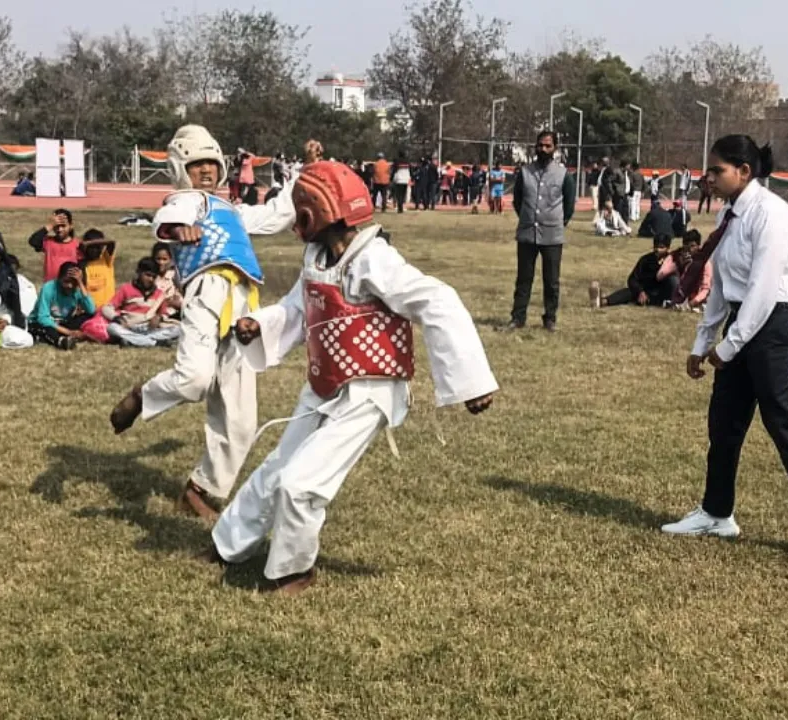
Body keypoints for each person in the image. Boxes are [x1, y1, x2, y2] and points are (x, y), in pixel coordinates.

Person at [213, 160, 498, 594]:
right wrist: (260, 322)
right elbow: (298, 308)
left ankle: (293, 570)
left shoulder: (374, 259)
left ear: (315, 213)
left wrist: (471, 382)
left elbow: (437, 300)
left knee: (301, 483)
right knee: (277, 469)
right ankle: (228, 545)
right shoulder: (317, 256)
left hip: (369, 391)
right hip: (324, 383)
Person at [664, 134, 788, 574]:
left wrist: (728, 346)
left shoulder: (772, 214)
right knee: (724, 423)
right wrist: (702, 342)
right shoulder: (730, 214)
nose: (709, 177)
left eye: (717, 170)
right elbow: (722, 284)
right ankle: (716, 513)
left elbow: (764, 288)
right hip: (744, 322)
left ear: (744, 171)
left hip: (779, 324)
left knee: (783, 422)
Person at [107, 125, 300, 523]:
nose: (207, 173)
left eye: (212, 165)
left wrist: (305, 174)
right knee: (194, 379)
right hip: (207, 293)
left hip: (244, 303)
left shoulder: (234, 210)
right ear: (182, 170)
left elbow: (278, 214)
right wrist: (178, 230)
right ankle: (145, 396)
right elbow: (169, 219)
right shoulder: (186, 201)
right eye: (198, 166)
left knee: (243, 417)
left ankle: (200, 490)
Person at [507, 131, 576, 332]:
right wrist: (527, 218)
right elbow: (518, 200)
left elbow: (569, 205)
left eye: (548, 146)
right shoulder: (525, 172)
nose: (543, 149)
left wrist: (558, 222)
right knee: (523, 279)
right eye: (540, 145)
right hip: (528, 234)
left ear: (555, 148)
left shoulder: (564, 175)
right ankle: (517, 318)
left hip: (552, 235)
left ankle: (550, 318)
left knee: (551, 280)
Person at [103, 257, 182, 348]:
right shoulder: (126, 289)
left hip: (150, 328)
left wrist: (158, 317)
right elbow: (107, 308)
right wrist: (117, 318)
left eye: (154, 277)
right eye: (148, 275)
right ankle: (154, 343)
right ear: (139, 272)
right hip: (129, 326)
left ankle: (134, 341)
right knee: (112, 328)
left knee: (178, 329)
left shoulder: (158, 293)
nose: (151, 279)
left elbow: (163, 312)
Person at [590, 234, 677, 309]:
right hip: (644, 291)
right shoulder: (646, 260)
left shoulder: (673, 261)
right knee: (628, 292)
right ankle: (602, 301)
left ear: (668, 248)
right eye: (656, 246)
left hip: (662, 294)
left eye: (661, 247)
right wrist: (640, 291)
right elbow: (633, 279)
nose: (657, 250)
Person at [29, 262, 95, 349]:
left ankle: (83, 335)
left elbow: (91, 310)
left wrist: (80, 283)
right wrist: (68, 332)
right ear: (59, 278)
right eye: (66, 281)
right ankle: (61, 341)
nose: (70, 286)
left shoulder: (76, 290)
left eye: (73, 282)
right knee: (45, 329)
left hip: (62, 323)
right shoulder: (49, 288)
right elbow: (43, 318)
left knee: (88, 316)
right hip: (43, 323)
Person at [661, 229, 713, 312]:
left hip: (697, 297)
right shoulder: (677, 256)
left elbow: (706, 289)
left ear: (698, 246)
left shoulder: (705, 262)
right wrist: (678, 265)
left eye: (692, 246)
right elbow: (660, 275)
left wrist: (692, 303)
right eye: (687, 246)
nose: (690, 250)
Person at [28, 209, 80, 282]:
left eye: (63, 226)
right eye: (57, 226)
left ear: (71, 226)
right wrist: (50, 225)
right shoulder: (48, 242)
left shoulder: (77, 244)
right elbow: (33, 241)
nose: (60, 229)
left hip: (69, 286)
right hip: (51, 286)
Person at [79, 228, 116, 310]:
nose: (94, 250)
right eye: (91, 248)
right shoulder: (82, 265)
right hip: (91, 310)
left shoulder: (106, 260)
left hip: (109, 309)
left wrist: (88, 243)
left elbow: (111, 242)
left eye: (97, 247)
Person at [151, 241, 182, 319]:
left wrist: (170, 302)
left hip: (172, 315)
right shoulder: (150, 276)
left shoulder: (175, 277)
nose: (161, 262)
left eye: (165, 259)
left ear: (171, 260)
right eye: (158, 259)